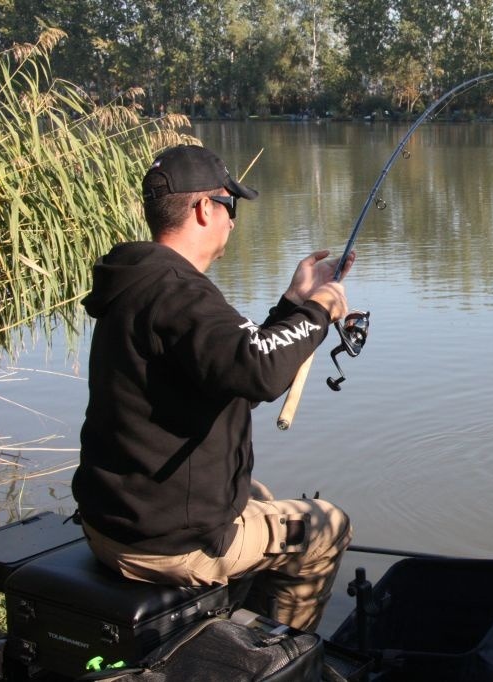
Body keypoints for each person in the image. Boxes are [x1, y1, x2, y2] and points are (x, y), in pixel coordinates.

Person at [71, 144, 354, 632]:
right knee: (327, 526)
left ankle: (233, 626)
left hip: (112, 522)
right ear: (205, 208)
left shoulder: (140, 281)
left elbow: (231, 364)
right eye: (231, 207)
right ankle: (279, 656)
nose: (233, 222)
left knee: (257, 494)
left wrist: (293, 301)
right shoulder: (181, 293)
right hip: (165, 545)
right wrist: (318, 311)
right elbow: (260, 372)